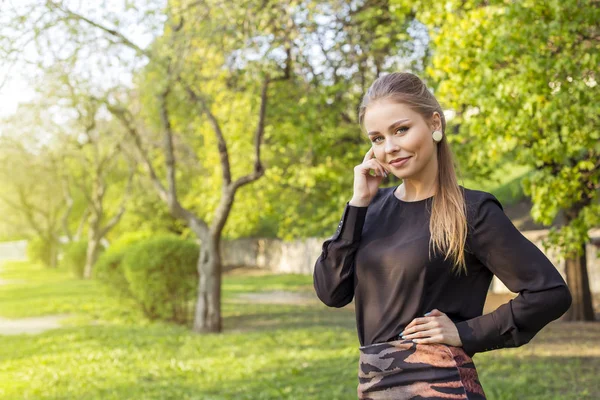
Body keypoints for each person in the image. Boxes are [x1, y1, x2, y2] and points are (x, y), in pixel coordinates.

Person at [312, 72, 572, 399]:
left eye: (401, 130)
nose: (389, 148)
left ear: (435, 123)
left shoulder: (470, 210)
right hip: (374, 387)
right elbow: (331, 291)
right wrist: (357, 204)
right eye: (377, 138)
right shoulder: (370, 208)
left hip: (440, 385)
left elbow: (549, 293)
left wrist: (466, 332)